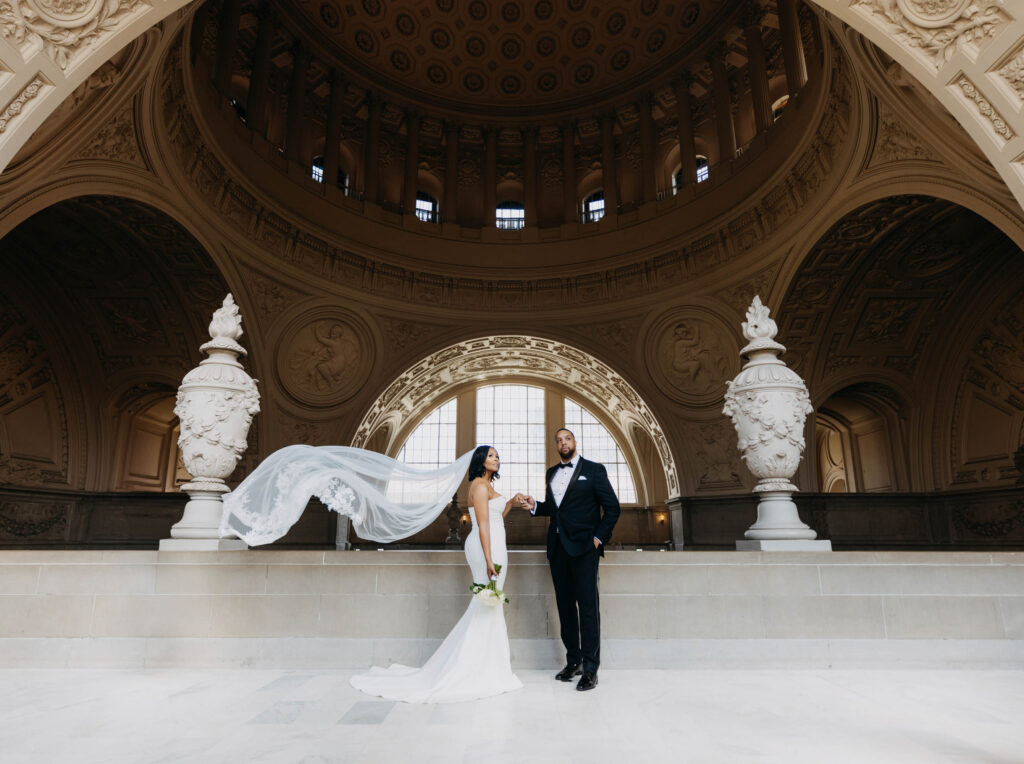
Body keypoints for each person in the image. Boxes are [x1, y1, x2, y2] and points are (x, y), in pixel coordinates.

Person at [350, 445, 525, 703]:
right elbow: (483, 524)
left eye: (497, 455)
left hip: (495, 544)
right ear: (479, 461)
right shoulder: (477, 485)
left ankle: (490, 665)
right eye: (490, 455)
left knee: (490, 603)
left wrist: (511, 501)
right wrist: (489, 559)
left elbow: (496, 515)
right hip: (486, 547)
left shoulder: (487, 485)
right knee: (487, 601)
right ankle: (476, 668)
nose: (496, 458)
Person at [523, 428, 620, 692]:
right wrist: (535, 506)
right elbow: (556, 510)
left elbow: (613, 508)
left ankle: (591, 669)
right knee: (565, 607)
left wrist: (598, 538)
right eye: (558, 440)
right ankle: (573, 661)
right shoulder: (551, 473)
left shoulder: (594, 470)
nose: (562, 443)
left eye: (567, 438)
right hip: (557, 549)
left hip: (585, 549)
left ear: (575, 442)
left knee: (588, 608)